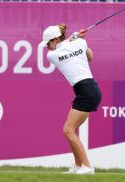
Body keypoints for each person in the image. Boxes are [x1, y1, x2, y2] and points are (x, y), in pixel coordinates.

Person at [41, 24, 102, 174]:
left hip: (86, 92)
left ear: (55, 39)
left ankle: (87, 167)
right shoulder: (80, 43)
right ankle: (77, 166)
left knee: (67, 130)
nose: (47, 47)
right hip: (90, 90)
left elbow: (70, 49)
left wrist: (72, 39)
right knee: (71, 129)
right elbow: (90, 56)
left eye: (48, 43)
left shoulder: (53, 55)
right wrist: (76, 39)